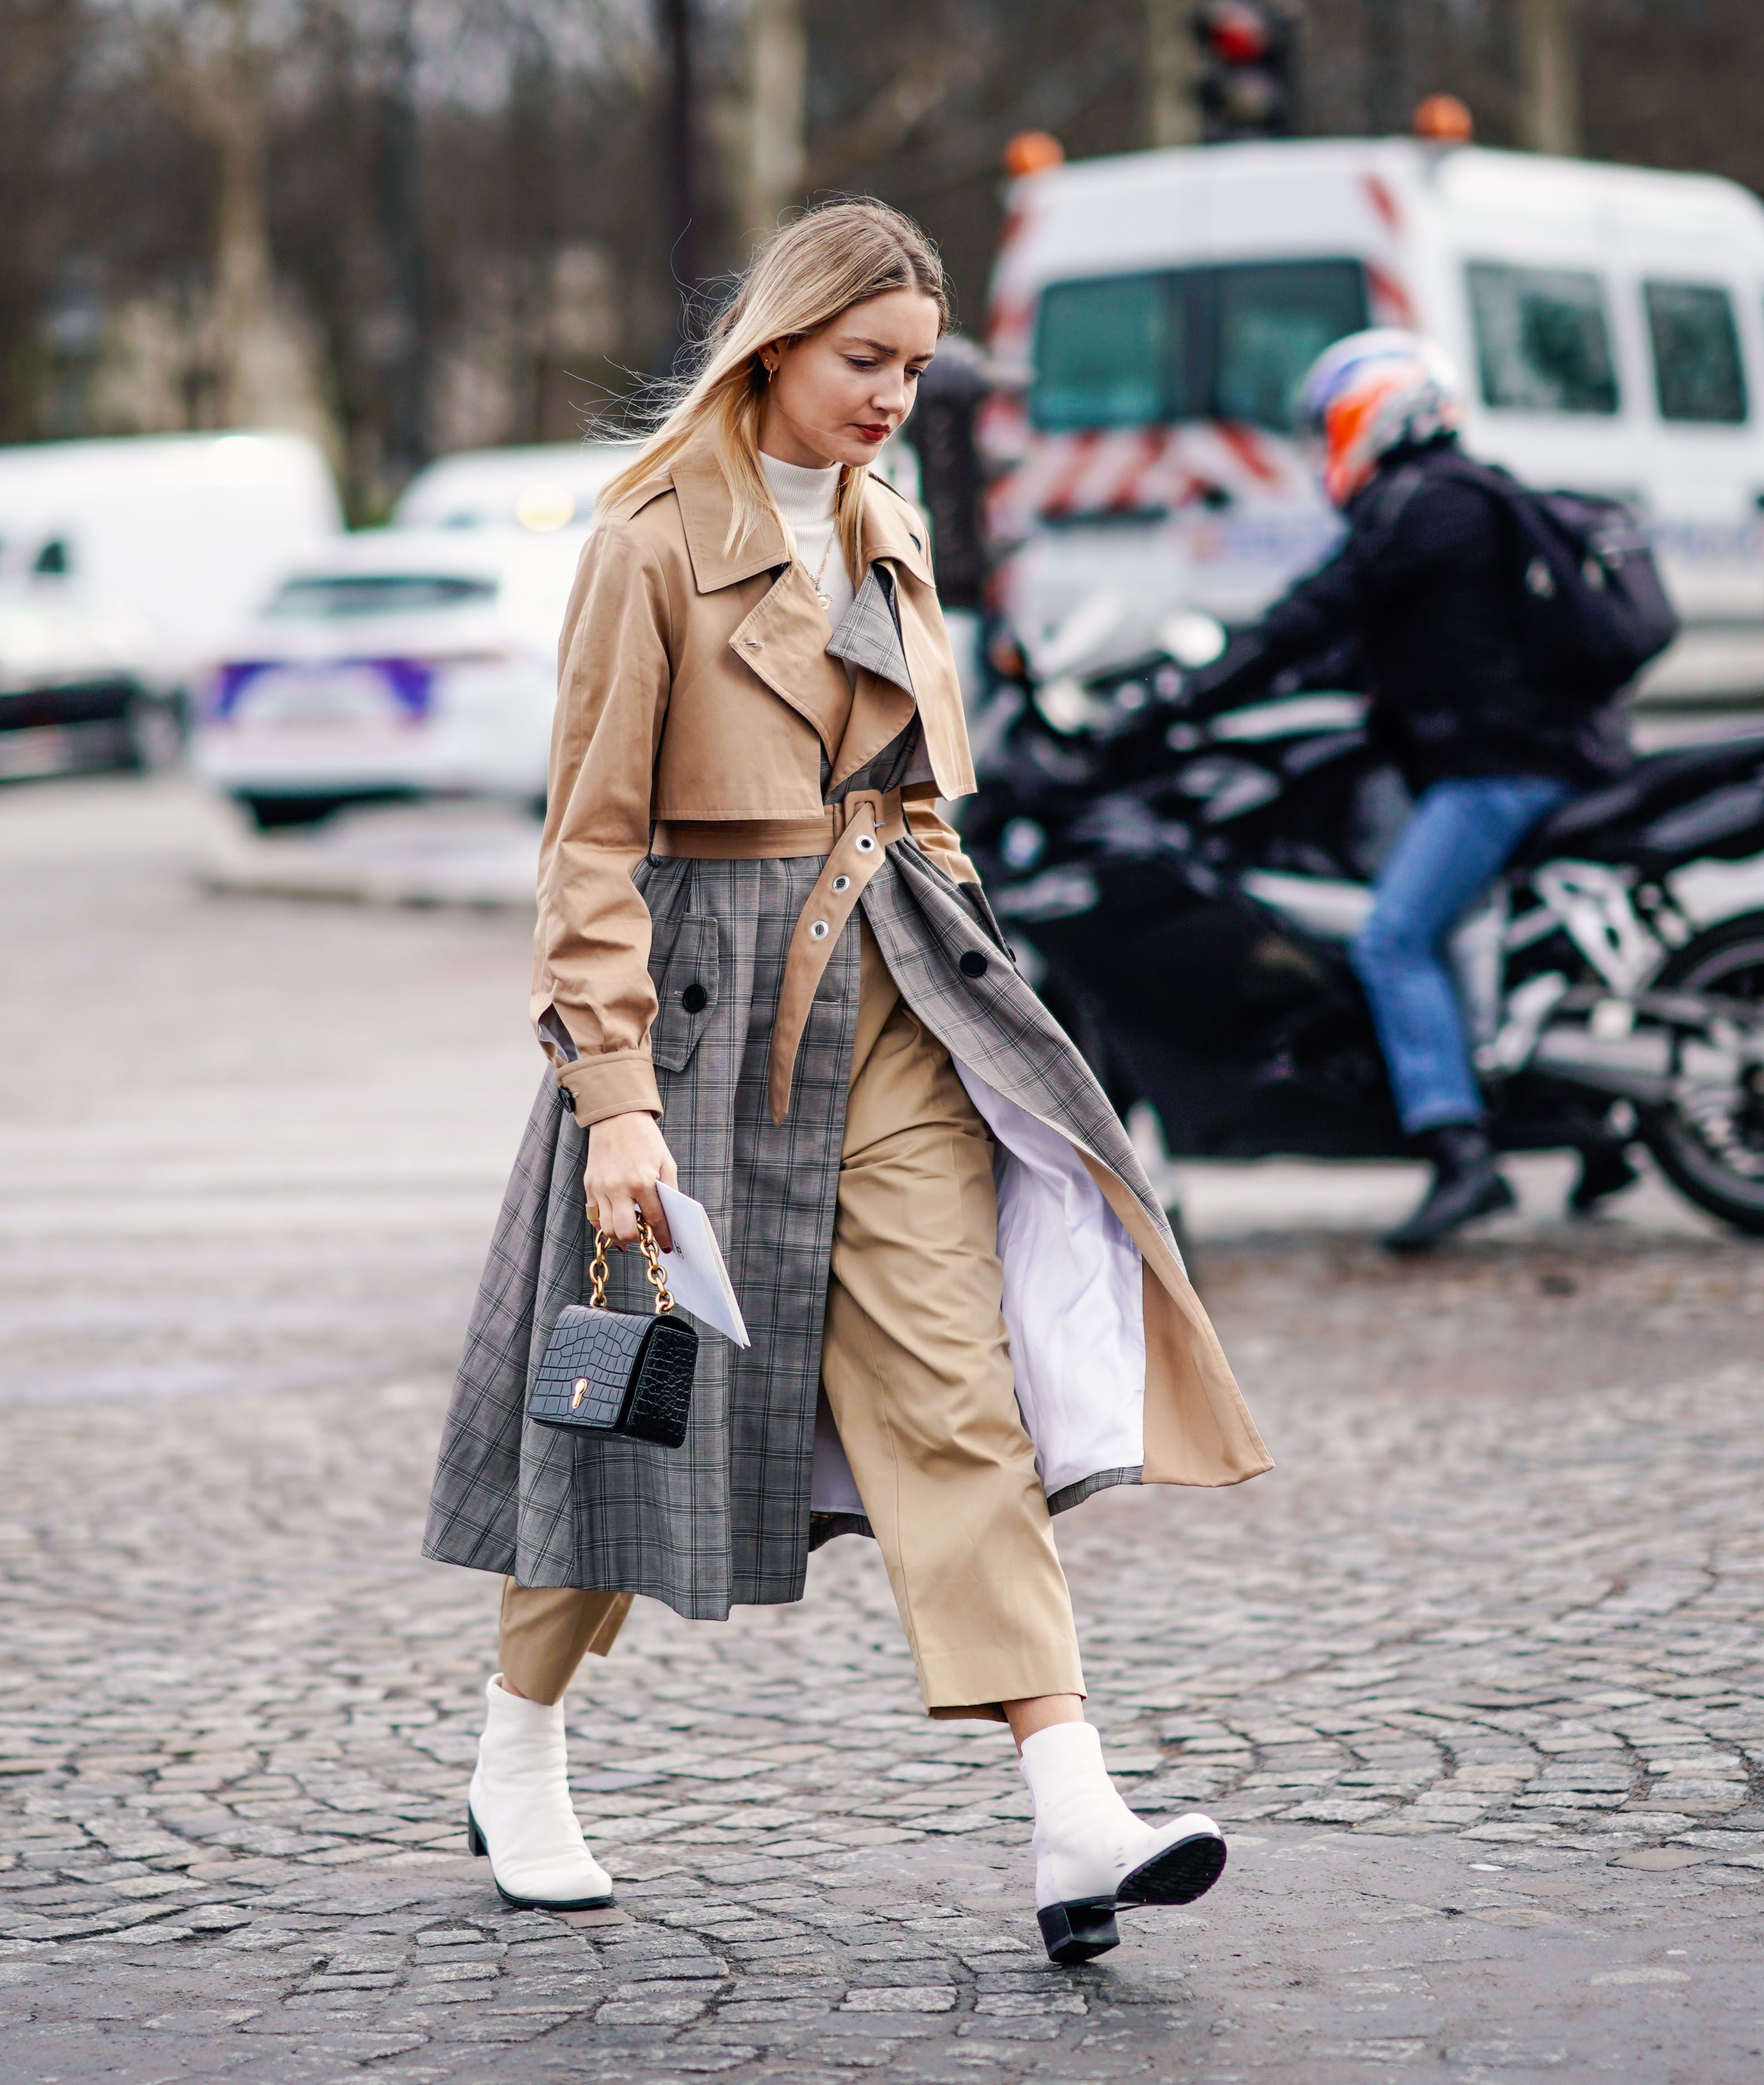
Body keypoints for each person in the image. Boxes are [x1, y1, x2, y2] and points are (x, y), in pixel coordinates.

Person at [420, 201, 1272, 1965]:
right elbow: (586, 845)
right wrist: (618, 1101)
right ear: (781, 343)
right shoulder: (650, 540)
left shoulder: (891, 524)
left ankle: (1071, 1808)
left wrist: (965, 969)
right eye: (865, 362)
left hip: (890, 993)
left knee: (955, 1395)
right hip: (707, 1011)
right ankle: (520, 1748)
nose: (892, 398)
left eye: (915, 371)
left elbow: (925, 791)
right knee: (626, 1402)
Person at [1173, 331, 1632, 1252]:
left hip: (1502, 768)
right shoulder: (1466, 494)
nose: (1318, 454)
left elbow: (1316, 613)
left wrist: (1191, 693)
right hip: (1540, 752)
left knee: (1391, 936)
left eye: (1323, 430)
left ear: (1368, 415)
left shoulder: (1420, 507)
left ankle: (1458, 1151)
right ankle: (1587, 1122)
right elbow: (1365, 638)